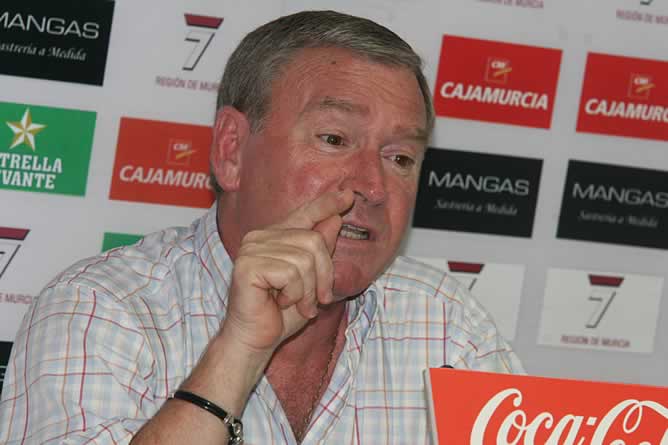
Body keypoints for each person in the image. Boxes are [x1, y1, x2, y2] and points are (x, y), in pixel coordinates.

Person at [0, 10, 523, 444]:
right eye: (335, 140)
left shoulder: (448, 324)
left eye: (401, 158)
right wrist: (238, 350)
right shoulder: (103, 309)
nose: (373, 186)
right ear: (232, 150)